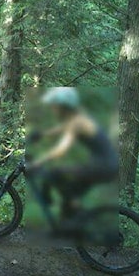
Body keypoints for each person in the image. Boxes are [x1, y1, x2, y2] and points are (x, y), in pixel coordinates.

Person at [29, 87, 119, 226]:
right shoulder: (77, 118)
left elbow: (61, 149)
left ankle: (53, 202)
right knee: (69, 193)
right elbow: (61, 128)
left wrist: (39, 161)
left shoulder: (77, 122)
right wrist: (42, 134)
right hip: (104, 165)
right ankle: (72, 223)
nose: (52, 109)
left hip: (102, 166)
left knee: (54, 173)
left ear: (64, 107)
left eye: (54, 106)